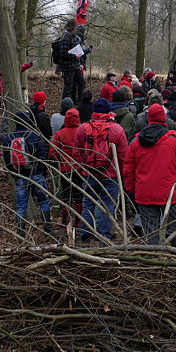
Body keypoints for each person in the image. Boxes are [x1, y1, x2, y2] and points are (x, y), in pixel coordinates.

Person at [123, 104, 176, 247]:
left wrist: (131, 191)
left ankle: (153, 261)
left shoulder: (136, 142)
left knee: (150, 233)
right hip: (172, 193)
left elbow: (128, 170)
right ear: (164, 119)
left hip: (145, 193)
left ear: (148, 118)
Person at [74, 98, 129, 243]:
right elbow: (123, 155)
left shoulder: (83, 128)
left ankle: (86, 233)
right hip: (110, 175)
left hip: (89, 173)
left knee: (88, 203)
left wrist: (81, 170)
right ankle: (104, 236)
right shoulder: (117, 129)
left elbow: (76, 153)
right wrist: (121, 174)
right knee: (108, 205)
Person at [1, 111, 53, 238]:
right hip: (36, 174)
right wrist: (40, 170)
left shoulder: (8, 138)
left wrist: (14, 174)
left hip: (20, 176)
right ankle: (47, 229)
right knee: (44, 201)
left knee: (21, 205)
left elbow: (7, 159)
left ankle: (20, 232)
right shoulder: (34, 136)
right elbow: (43, 156)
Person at [50, 108, 84, 229]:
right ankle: (79, 223)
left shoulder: (60, 133)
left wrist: (59, 160)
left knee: (66, 197)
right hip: (80, 169)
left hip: (65, 169)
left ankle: (66, 222)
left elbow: (52, 152)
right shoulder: (83, 131)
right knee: (79, 196)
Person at [58, 19, 89, 103]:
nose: (76, 29)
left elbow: (81, 51)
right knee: (68, 87)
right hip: (68, 67)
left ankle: (81, 102)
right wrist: (74, 56)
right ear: (72, 28)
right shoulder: (65, 38)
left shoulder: (76, 37)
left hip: (76, 66)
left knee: (82, 83)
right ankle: (65, 105)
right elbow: (63, 54)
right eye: (75, 27)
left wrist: (82, 61)